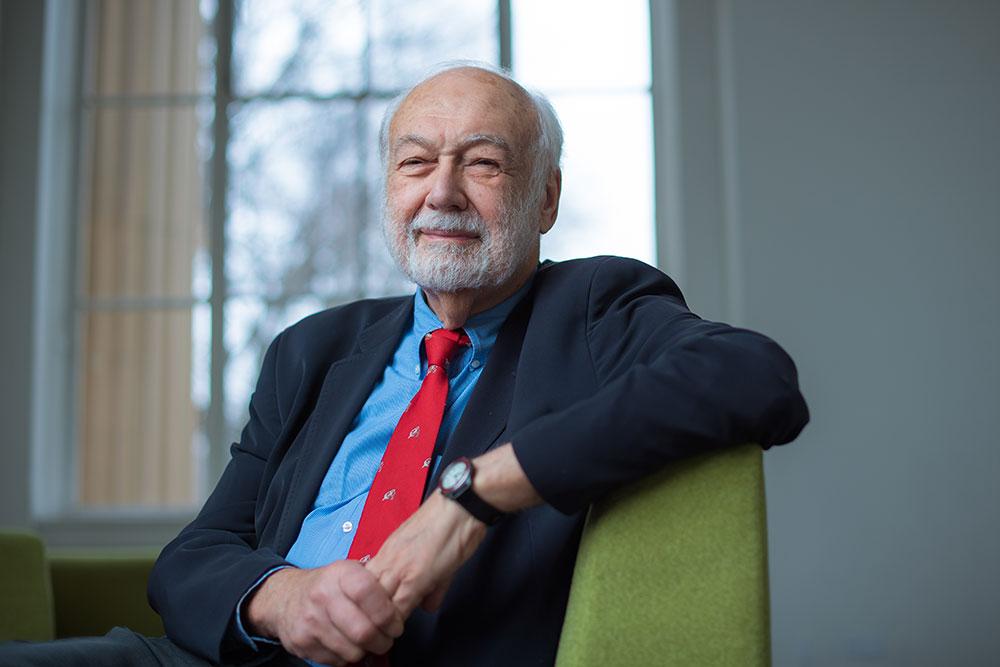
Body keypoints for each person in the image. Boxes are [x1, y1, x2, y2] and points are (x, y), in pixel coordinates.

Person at [0, 62, 808, 667]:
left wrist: (476, 492)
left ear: (547, 198)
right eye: (416, 163)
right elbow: (195, 555)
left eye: (483, 164)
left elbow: (757, 377)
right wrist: (282, 597)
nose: (443, 192)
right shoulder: (312, 349)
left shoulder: (593, 307)